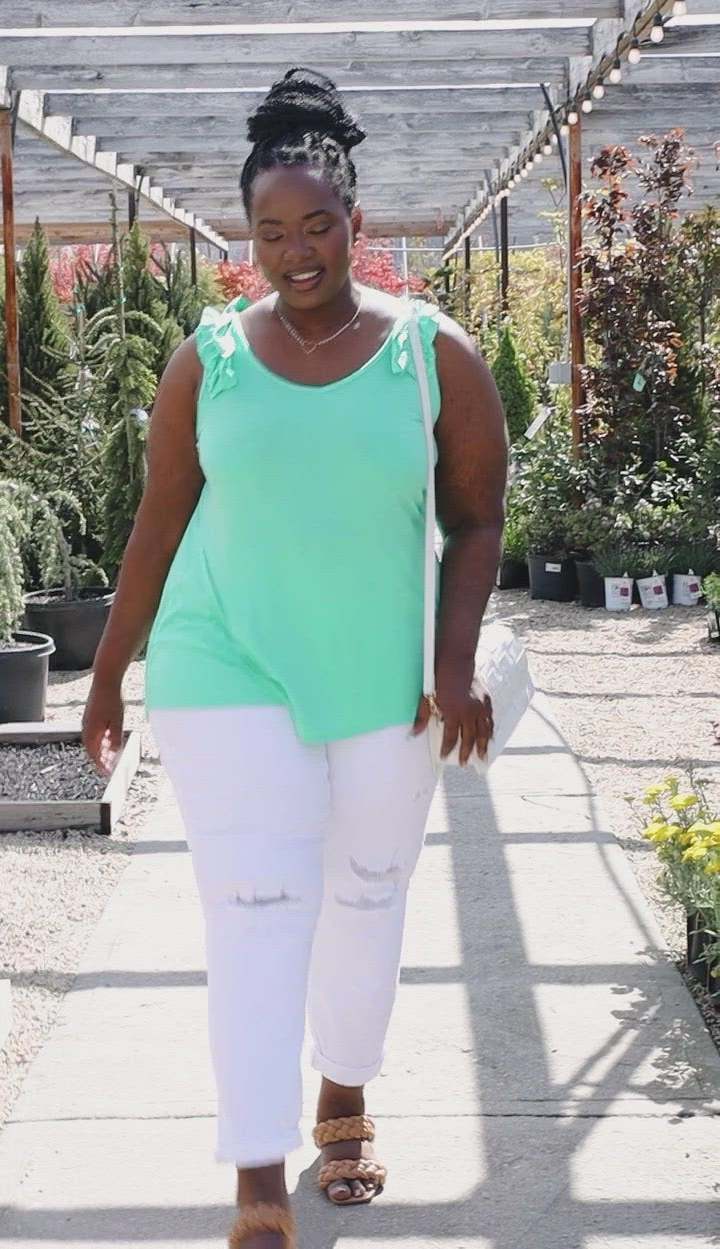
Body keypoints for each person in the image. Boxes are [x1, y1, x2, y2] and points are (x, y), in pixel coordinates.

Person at [82, 68, 508, 1249]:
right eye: (271, 233)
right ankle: (257, 1171)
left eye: (316, 226)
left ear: (354, 222)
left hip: (380, 670)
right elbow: (158, 522)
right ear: (248, 239)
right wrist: (109, 672)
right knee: (257, 908)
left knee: (365, 894)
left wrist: (456, 663)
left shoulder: (432, 354)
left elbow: (478, 516)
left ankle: (345, 1093)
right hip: (226, 662)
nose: (295, 253)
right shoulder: (207, 361)